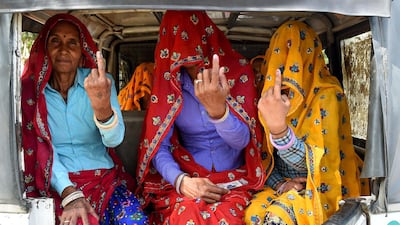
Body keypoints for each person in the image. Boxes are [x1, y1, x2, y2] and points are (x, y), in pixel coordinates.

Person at [135, 10, 267, 224]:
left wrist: (219, 113)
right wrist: (182, 182)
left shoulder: (237, 71)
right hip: (189, 178)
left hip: (236, 177)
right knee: (184, 215)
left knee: (232, 218)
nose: (194, 58)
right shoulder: (167, 83)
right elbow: (158, 145)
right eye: (183, 48)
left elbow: (244, 142)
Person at [21, 14, 148, 225]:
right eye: (55, 41)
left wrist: (102, 109)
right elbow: (37, 150)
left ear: (81, 52)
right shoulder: (31, 93)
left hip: (104, 180)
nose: (63, 49)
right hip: (55, 182)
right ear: (45, 48)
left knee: (134, 220)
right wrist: (69, 191)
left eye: (72, 42)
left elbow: (113, 141)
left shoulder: (101, 82)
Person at [244, 21, 362, 225]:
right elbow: (263, 158)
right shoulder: (269, 96)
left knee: (277, 219)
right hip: (282, 185)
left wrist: (279, 131)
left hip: (320, 188)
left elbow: (321, 163)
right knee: (251, 215)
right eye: (281, 55)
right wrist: (281, 184)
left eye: (294, 56)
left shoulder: (327, 96)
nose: (288, 65)